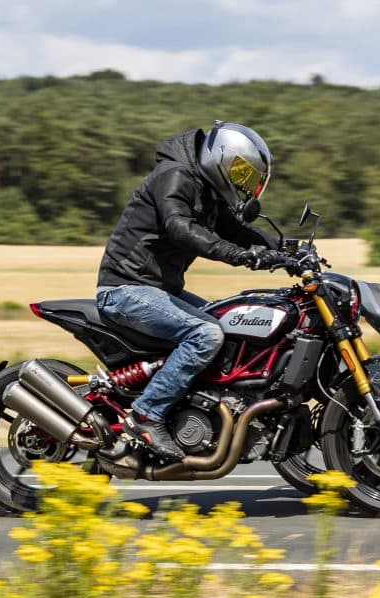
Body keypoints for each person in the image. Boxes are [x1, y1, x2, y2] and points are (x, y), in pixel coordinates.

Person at [96, 121, 287, 462]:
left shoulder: (209, 191)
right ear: (222, 160)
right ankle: (146, 415)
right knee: (206, 334)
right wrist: (237, 256)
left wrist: (284, 252)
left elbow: (240, 232)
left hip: (156, 289)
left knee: (232, 326)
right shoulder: (176, 175)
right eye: (241, 173)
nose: (245, 183)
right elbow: (179, 227)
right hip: (126, 289)